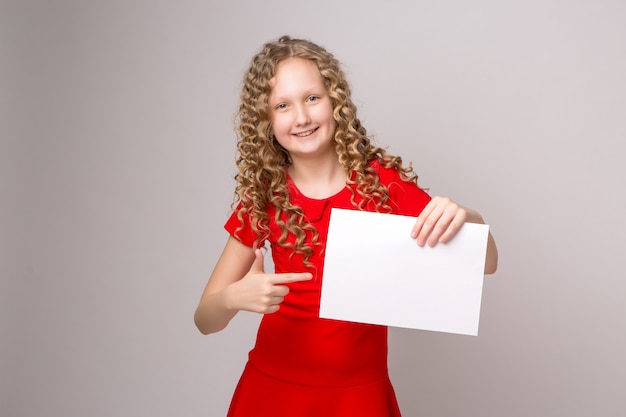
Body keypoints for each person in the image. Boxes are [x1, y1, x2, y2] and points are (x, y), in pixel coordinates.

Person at [194, 35, 498, 417]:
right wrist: (233, 298)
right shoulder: (264, 197)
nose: (301, 117)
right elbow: (204, 319)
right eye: (283, 106)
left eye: (312, 98)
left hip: (357, 396)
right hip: (272, 390)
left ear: (335, 101)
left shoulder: (381, 185)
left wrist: (467, 217)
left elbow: (486, 263)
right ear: (266, 122)